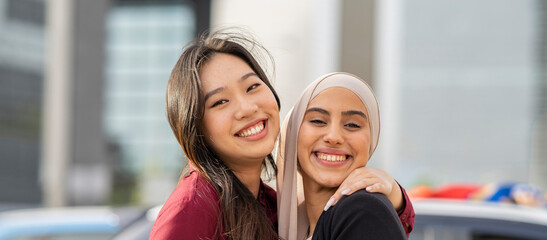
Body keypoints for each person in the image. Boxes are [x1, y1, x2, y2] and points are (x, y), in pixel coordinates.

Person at [150, 30, 413, 240]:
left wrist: (395, 196)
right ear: (195, 127)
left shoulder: (274, 208)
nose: (247, 107)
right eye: (220, 102)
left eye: (252, 87)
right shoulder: (195, 206)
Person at [278, 72, 410, 240]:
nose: (333, 137)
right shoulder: (292, 222)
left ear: (372, 140)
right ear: (293, 132)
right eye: (318, 121)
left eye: (352, 125)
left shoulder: (362, 211)